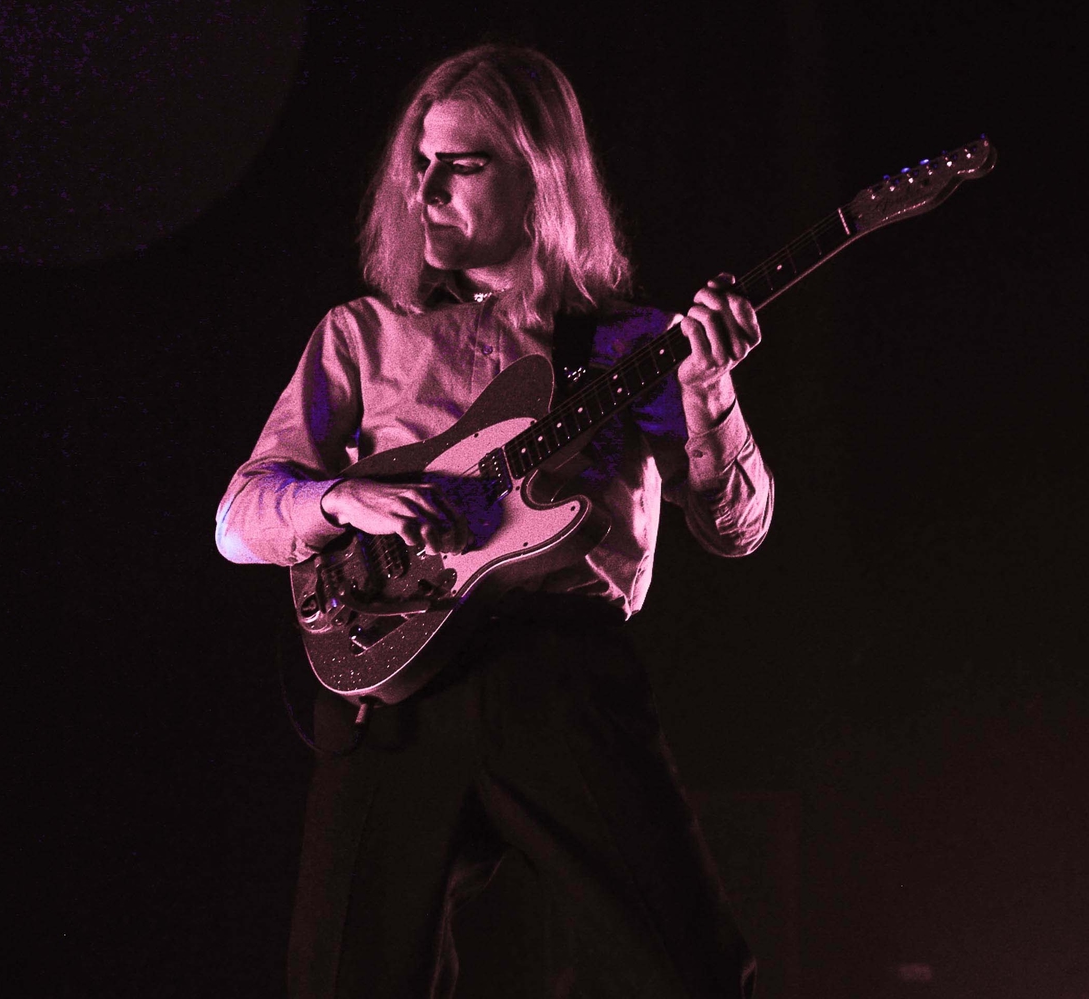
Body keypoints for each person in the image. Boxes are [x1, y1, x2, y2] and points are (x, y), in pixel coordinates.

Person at [216, 43, 772, 999]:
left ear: (540, 180)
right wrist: (337, 498)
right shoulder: (365, 333)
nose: (426, 188)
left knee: (689, 975)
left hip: (560, 672)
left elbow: (736, 527)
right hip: (392, 688)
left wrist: (711, 391)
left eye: (460, 165)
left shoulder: (631, 345)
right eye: (419, 164)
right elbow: (238, 517)